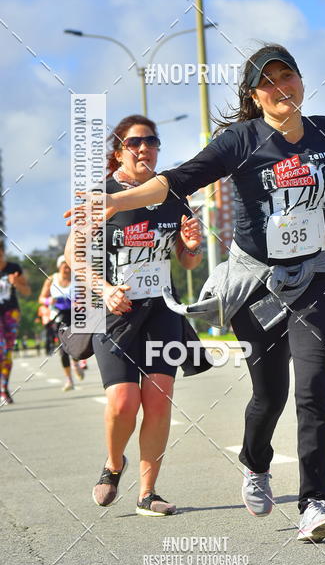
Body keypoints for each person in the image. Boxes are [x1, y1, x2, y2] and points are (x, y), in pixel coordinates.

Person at [70, 44, 325, 542]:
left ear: (301, 81)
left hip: (316, 279)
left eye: (286, 75)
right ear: (256, 95)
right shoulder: (239, 140)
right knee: (269, 396)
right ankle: (255, 462)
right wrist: (116, 199)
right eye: (268, 82)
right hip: (256, 285)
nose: (280, 87)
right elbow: (177, 181)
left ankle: (315, 504)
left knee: (315, 390)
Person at [65, 115, 202, 516]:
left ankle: (148, 493)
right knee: (124, 403)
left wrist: (191, 247)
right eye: (134, 143)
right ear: (119, 150)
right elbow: (75, 255)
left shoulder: (172, 196)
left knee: (158, 402)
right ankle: (113, 464)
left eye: (151, 141)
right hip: (115, 312)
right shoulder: (102, 195)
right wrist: (104, 290)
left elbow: (187, 262)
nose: (144, 149)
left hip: (162, 310)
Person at [39, 256, 85, 391]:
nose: (66, 268)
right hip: (58, 316)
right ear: (59, 266)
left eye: (69, 266)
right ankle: (69, 380)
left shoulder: (77, 278)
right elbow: (41, 298)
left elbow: (87, 295)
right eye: (64, 266)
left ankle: (76, 363)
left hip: (75, 315)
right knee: (62, 348)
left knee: (75, 345)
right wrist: (49, 302)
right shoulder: (51, 279)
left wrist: (80, 301)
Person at [0, 238, 31, 404]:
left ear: (3, 252)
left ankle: (4, 387)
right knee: (1, 350)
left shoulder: (14, 268)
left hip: (11, 312)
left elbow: (27, 291)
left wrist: (16, 283)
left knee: (8, 352)